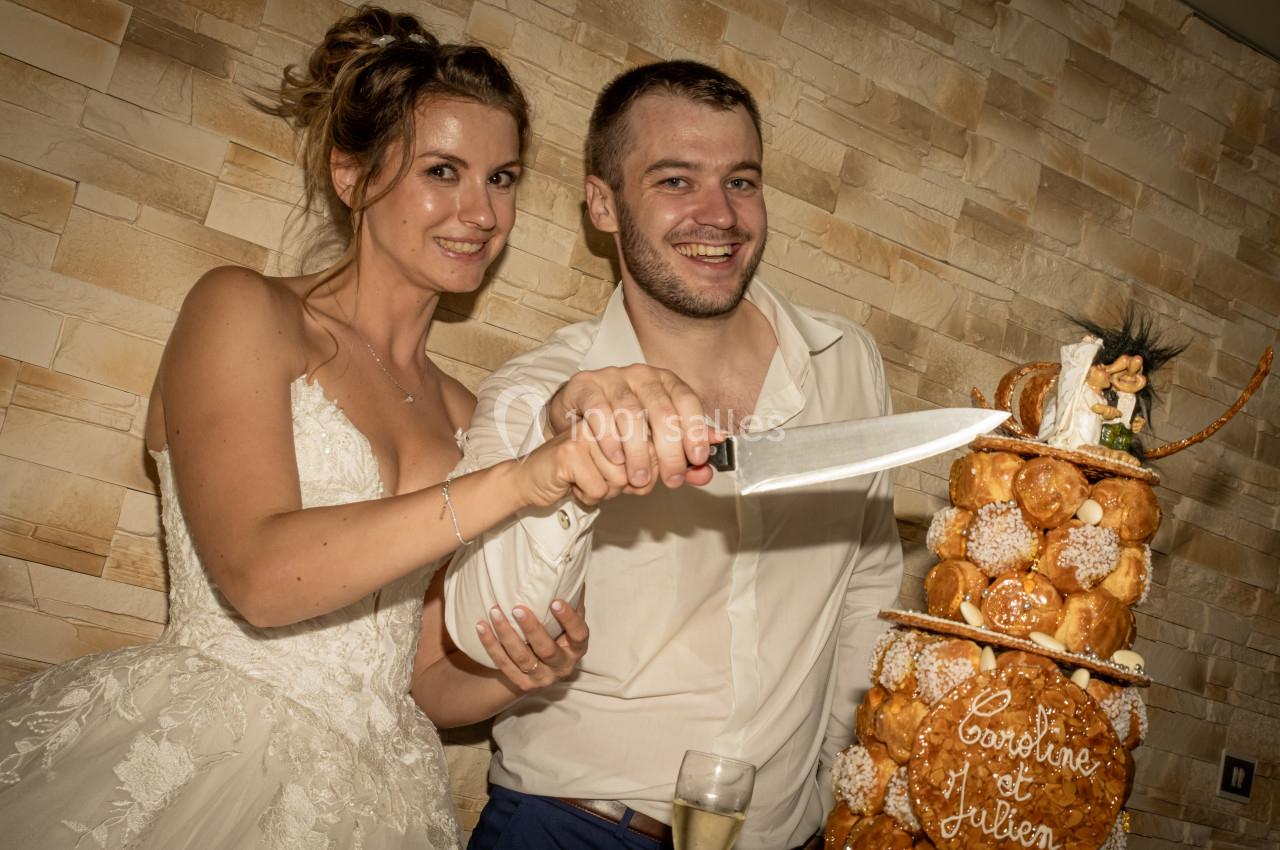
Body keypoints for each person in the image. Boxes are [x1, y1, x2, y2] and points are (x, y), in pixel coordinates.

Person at [0, 8, 684, 848]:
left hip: (379, 793)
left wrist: (520, 676)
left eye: (501, 178)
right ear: (351, 175)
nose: (480, 212)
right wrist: (524, 476)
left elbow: (424, 679)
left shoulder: (465, 415)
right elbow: (260, 574)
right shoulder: (243, 309)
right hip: (215, 753)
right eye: (444, 170)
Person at [443, 61, 905, 850]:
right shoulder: (534, 393)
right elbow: (485, 633)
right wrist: (570, 460)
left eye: (743, 182)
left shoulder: (846, 362)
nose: (719, 215)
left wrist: (838, 788)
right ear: (602, 204)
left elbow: (867, 585)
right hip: (572, 827)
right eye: (676, 181)